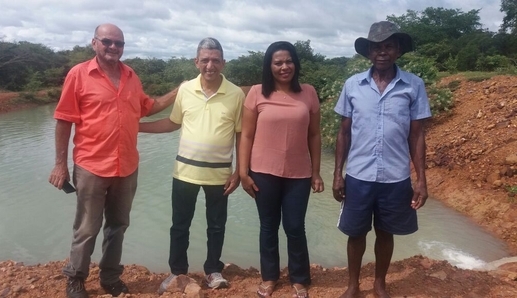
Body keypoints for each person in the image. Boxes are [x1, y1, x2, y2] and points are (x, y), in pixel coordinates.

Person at [48, 23, 179, 298]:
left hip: (127, 165)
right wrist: (60, 163)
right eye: (107, 41)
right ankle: (75, 278)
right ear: (94, 43)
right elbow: (63, 120)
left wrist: (181, 90)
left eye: (119, 43)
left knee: (118, 225)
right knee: (86, 227)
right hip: (91, 165)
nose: (113, 47)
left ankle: (110, 277)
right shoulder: (79, 75)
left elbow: (148, 107)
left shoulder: (131, 76)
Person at [332, 21, 431, 298]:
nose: (382, 52)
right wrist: (337, 173)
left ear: (398, 50)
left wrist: (421, 180)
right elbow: (344, 132)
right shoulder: (353, 85)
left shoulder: (414, 85)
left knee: (386, 232)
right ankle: (353, 285)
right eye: (377, 47)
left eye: (389, 46)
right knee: (356, 233)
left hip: (395, 176)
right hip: (359, 175)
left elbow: (417, 136)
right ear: (369, 53)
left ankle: (379, 284)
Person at [138, 37, 245, 293]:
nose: (210, 65)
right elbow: (173, 123)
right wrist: (137, 128)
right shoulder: (185, 90)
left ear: (224, 63)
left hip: (220, 174)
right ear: (196, 62)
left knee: (216, 225)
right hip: (184, 171)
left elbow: (241, 134)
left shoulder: (236, 94)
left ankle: (213, 270)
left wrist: (240, 170)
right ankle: (177, 272)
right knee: (179, 225)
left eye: (215, 60)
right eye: (205, 60)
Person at [239, 41, 324, 298]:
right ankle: (270, 277)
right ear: (269, 66)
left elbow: (314, 135)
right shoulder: (256, 93)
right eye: (278, 62)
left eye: (289, 61)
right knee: (268, 226)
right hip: (263, 172)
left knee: (295, 226)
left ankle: (299, 278)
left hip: (299, 174)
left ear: (296, 64)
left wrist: (316, 172)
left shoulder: (308, 93)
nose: (284, 67)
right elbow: (246, 136)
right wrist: (243, 172)